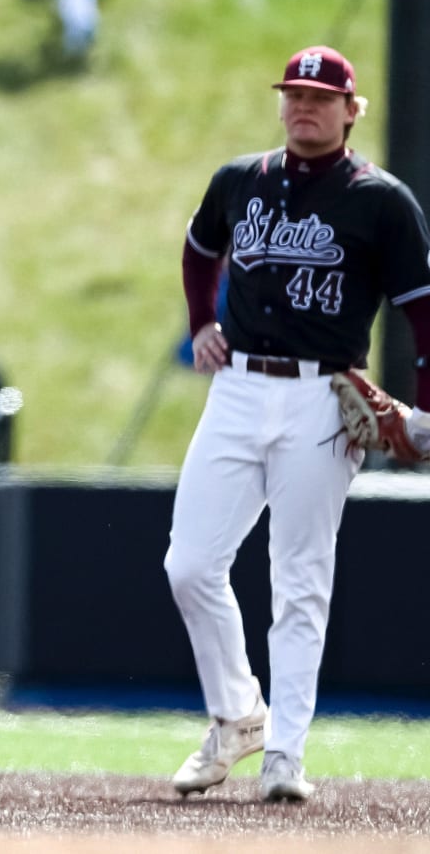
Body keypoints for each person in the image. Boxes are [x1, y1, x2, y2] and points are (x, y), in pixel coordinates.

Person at [164, 45, 430, 803]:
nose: (304, 106)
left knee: (300, 580)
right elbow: (197, 249)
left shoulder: (382, 200)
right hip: (239, 387)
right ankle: (237, 715)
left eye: (321, 95)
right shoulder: (239, 181)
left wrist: (426, 405)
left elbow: (422, 311)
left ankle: (285, 755)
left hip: (325, 397)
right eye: (294, 93)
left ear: (352, 110)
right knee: (189, 565)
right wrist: (199, 322)